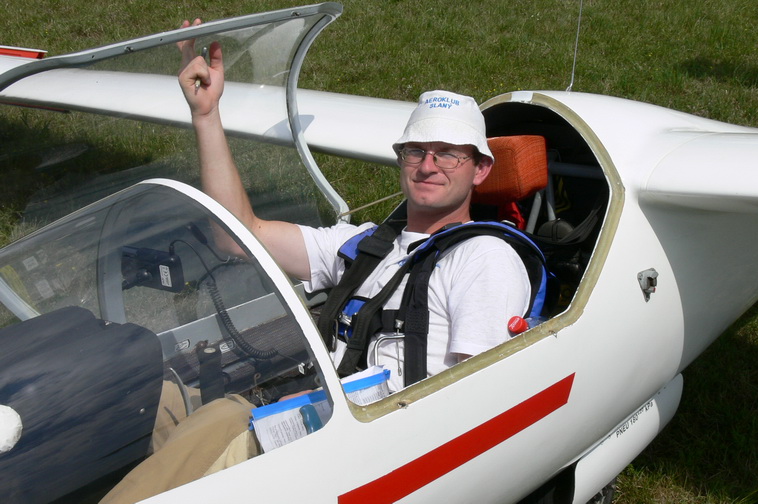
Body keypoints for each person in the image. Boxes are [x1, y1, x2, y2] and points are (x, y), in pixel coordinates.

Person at [176, 19, 530, 392]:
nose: (427, 166)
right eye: (416, 152)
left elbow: (481, 398)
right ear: (401, 160)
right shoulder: (362, 246)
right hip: (323, 410)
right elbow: (239, 236)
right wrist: (206, 115)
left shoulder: (484, 259)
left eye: (447, 154)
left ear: (481, 169)